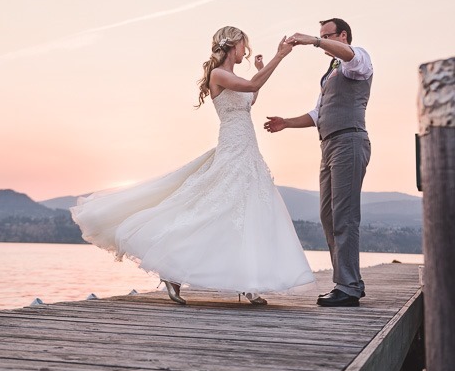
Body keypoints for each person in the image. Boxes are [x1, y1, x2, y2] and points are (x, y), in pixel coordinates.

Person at [71, 26, 314, 306]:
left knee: (251, 209)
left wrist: (261, 68)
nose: (245, 51)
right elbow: (252, 86)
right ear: (232, 46)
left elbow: (249, 97)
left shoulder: (233, 76)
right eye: (243, 46)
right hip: (233, 147)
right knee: (215, 206)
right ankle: (171, 269)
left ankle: (248, 280)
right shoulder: (218, 75)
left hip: (249, 149)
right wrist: (278, 57)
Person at [264, 18, 372, 307]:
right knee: (328, 215)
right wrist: (286, 122)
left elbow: (350, 56)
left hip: (349, 141)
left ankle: (347, 287)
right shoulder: (330, 74)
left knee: (344, 216)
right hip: (329, 146)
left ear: (343, 35)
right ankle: (351, 281)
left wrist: (313, 39)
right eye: (321, 37)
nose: (322, 43)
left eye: (327, 37)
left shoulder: (356, 59)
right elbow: (317, 114)